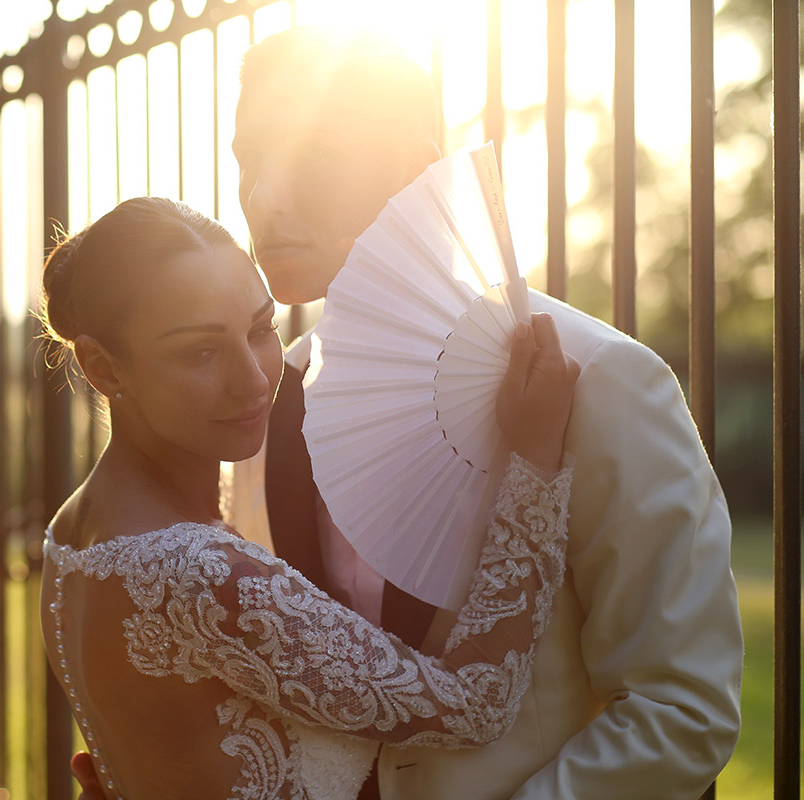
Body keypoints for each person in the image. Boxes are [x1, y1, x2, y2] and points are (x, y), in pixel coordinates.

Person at [74, 25, 742, 800]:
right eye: (247, 158)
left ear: (421, 168)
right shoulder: (268, 401)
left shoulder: (603, 380)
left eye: (310, 160)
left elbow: (680, 709)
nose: (264, 197)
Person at [41, 195, 580, 800]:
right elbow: (476, 704)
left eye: (260, 329)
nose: (253, 378)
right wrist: (534, 462)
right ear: (102, 367)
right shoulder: (198, 572)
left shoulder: (70, 531)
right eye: (200, 352)